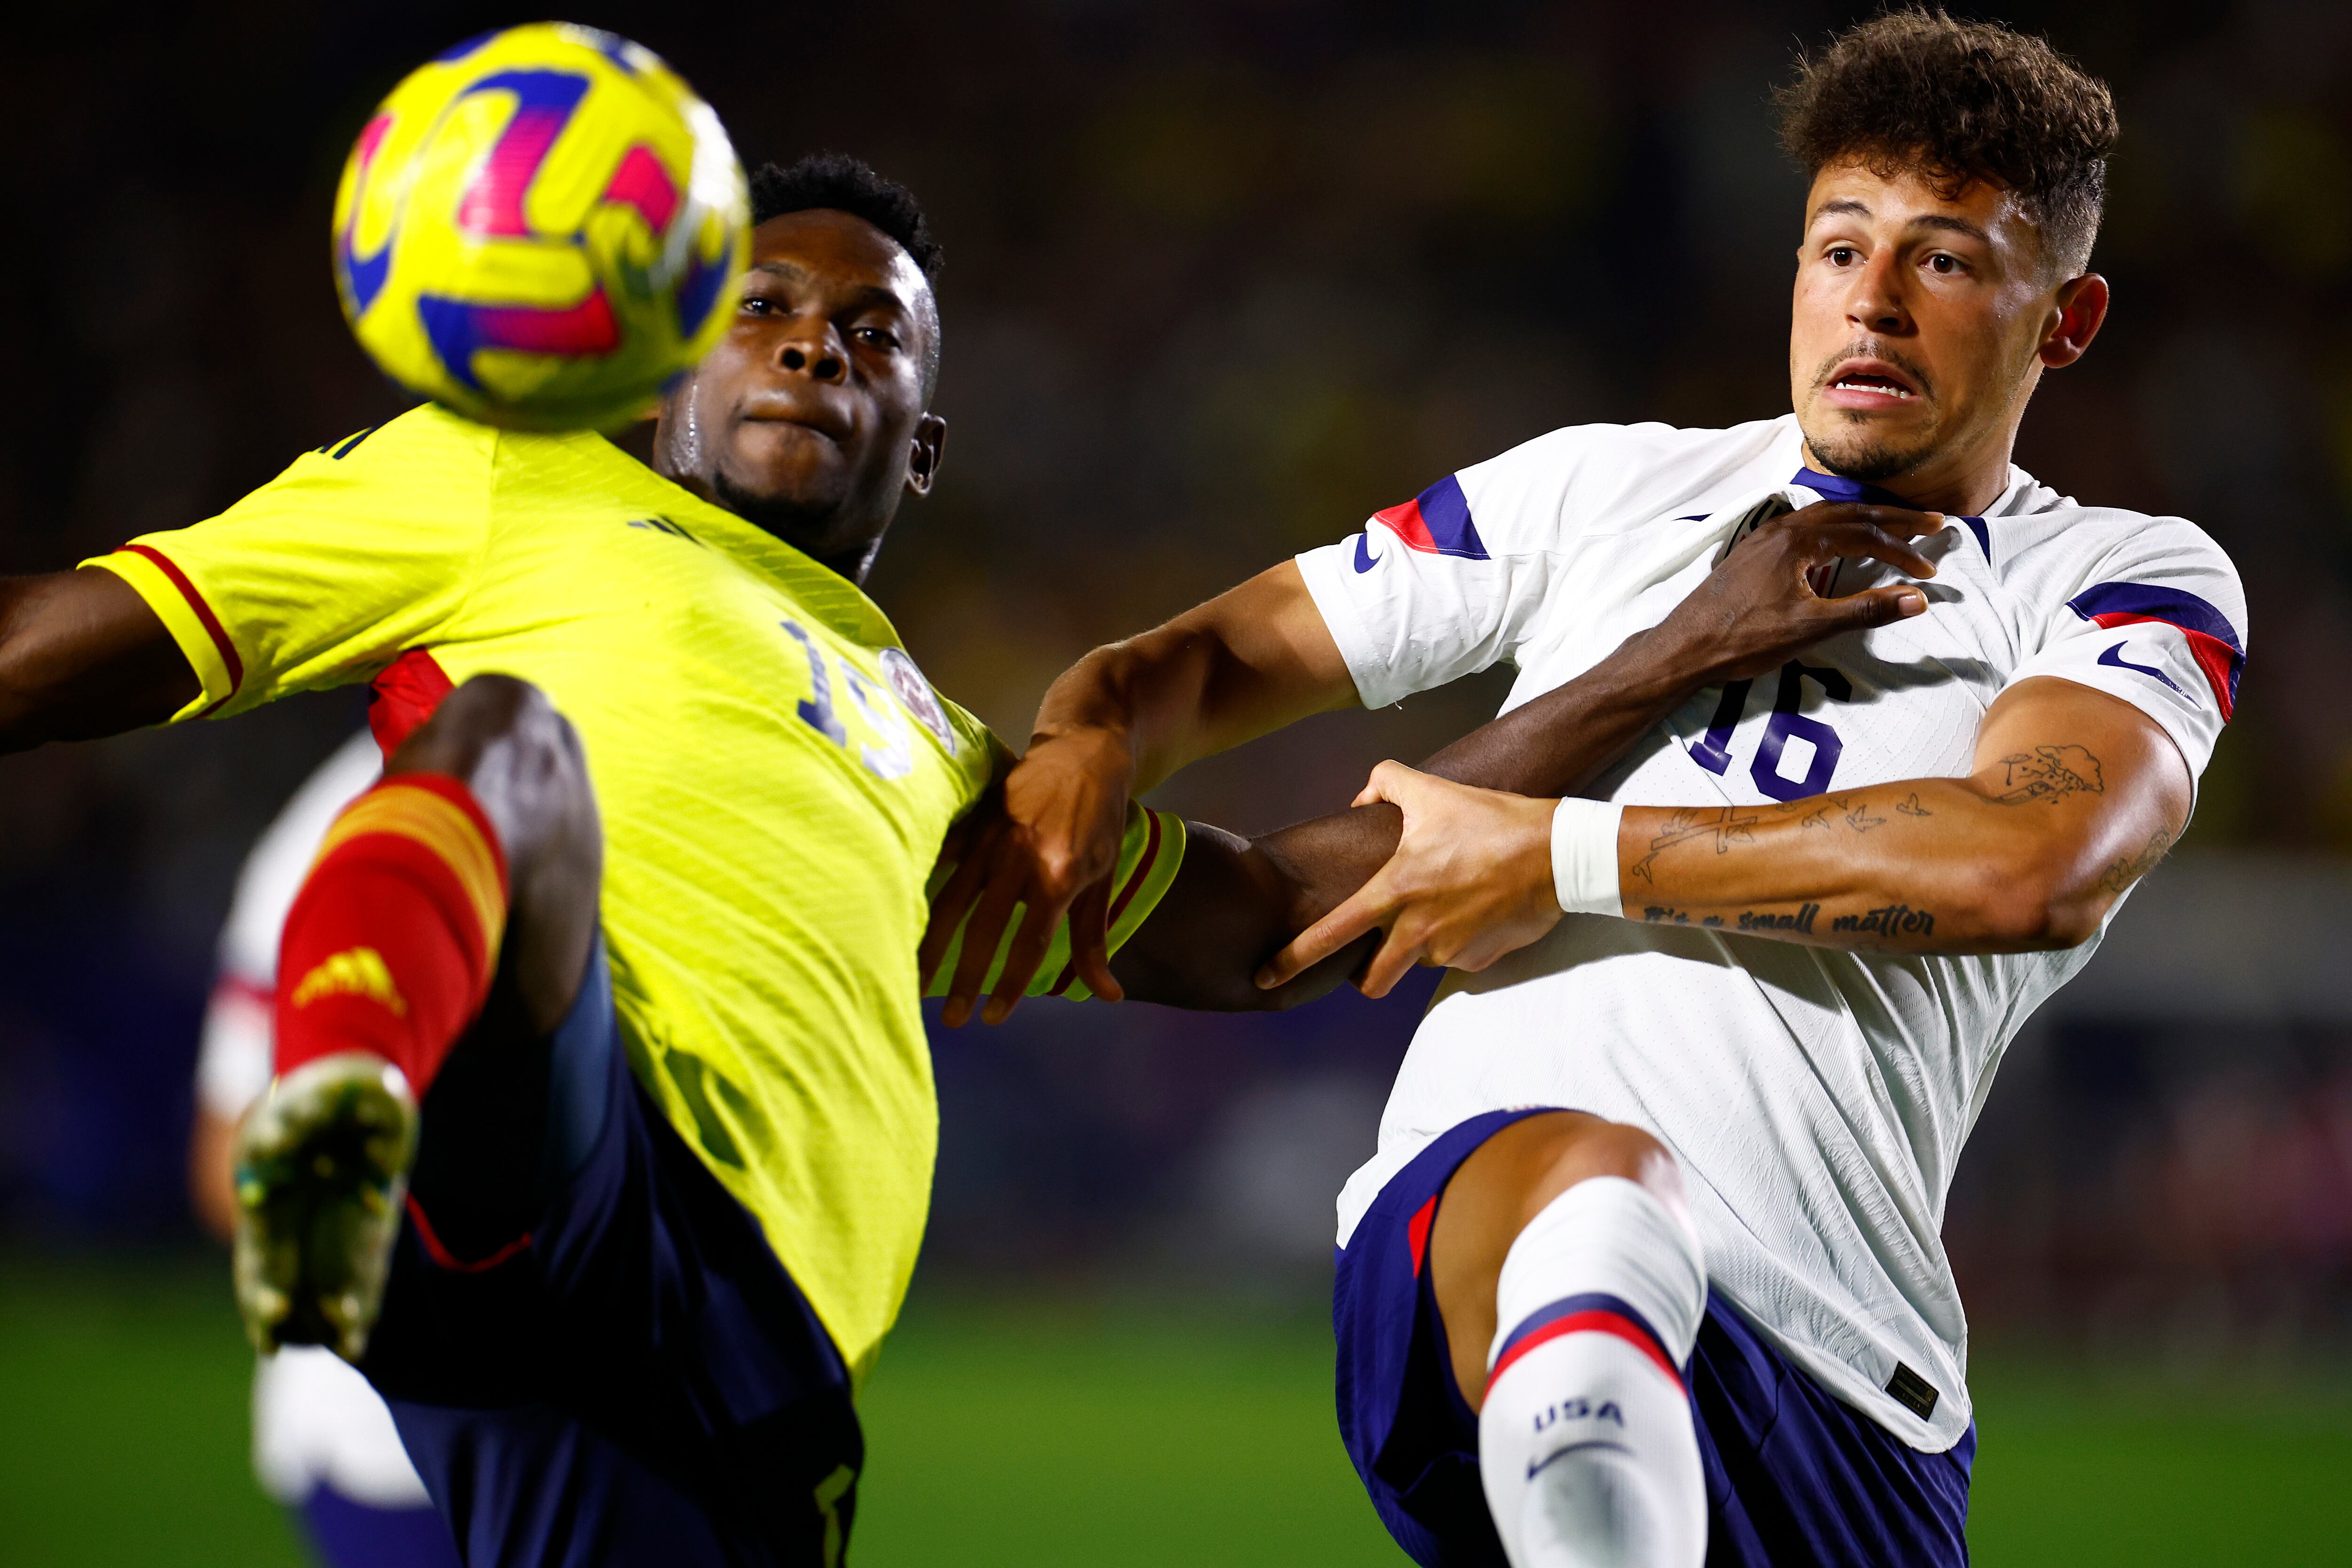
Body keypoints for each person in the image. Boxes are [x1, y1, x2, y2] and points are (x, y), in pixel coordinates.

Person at [0, 137, 1944, 1567]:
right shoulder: (502, 481)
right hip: (550, 1159)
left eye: (866, 334)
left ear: (918, 440)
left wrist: (1679, 648)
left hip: (749, 1379)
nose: (806, 349)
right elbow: (50, 646)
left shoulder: (956, 763)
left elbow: (1281, 908)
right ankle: (338, 1103)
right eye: (752, 308)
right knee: (508, 748)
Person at [937, 12, 2243, 1568]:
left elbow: (2037, 858)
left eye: (1947, 260)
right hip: (1493, 1254)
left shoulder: (2116, 578)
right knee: (1597, 1188)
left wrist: (1562, 855)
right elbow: (1211, 657)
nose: (1873, 302)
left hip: (1853, 1391)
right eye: (1840, 247)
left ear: (2068, 319)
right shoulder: (1602, 489)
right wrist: (1091, 729)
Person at [188, 730, 463, 1568]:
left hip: (605, 1407)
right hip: (389, 1433)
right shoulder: (339, 823)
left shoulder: (636, 734)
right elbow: (219, 1165)